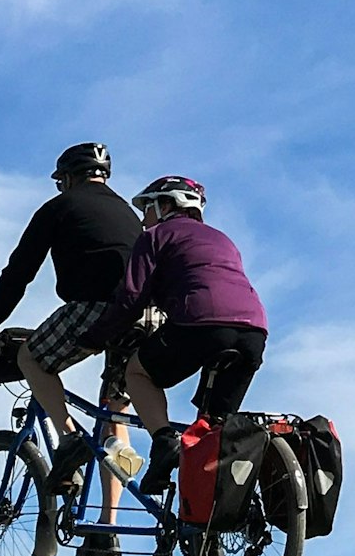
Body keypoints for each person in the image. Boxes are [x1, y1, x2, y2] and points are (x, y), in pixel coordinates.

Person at [0, 142, 142, 556]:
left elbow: (18, 274)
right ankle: (107, 527)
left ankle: (69, 438)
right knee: (114, 415)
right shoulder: (128, 213)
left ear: (68, 178)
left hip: (95, 310)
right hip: (145, 317)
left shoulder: (58, 208)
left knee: (32, 359)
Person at [83, 175, 268, 494]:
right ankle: (209, 516)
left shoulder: (155, 236)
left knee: (137, 372)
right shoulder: (222, 239)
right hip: (253, 331)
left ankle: (163, 441)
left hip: (201, 323)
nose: (143, 219)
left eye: (147, 209)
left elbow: (131, 298)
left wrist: (95, 337)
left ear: (165, 206)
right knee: (213, 431)